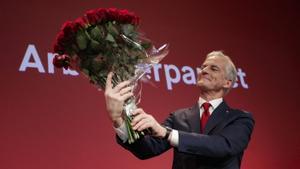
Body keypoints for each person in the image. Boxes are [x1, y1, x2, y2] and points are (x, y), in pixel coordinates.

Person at [104, 51, 255, 169]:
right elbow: (147, 150)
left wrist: (167, 133)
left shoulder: (240, 119)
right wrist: (118, 120)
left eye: (213, 68)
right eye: (203, 67)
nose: (204, 70)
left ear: (227, 83)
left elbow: (223, 146)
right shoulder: (179, 117)